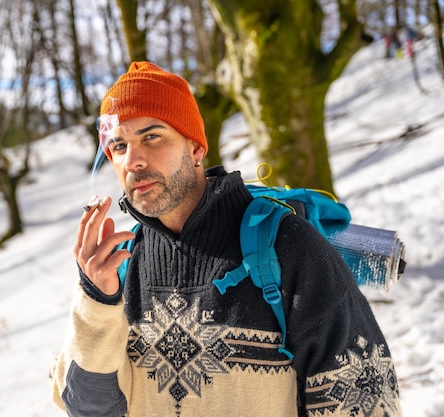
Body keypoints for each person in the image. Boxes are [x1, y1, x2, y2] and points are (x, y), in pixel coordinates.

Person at [49, 61, 401, 417]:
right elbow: (90, 409)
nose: (133, 160)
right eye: (118, 145)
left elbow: (366, 398)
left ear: (196, 149)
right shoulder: (120, 266)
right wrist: (97, 302)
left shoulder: (288, 245)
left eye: (151, 136)